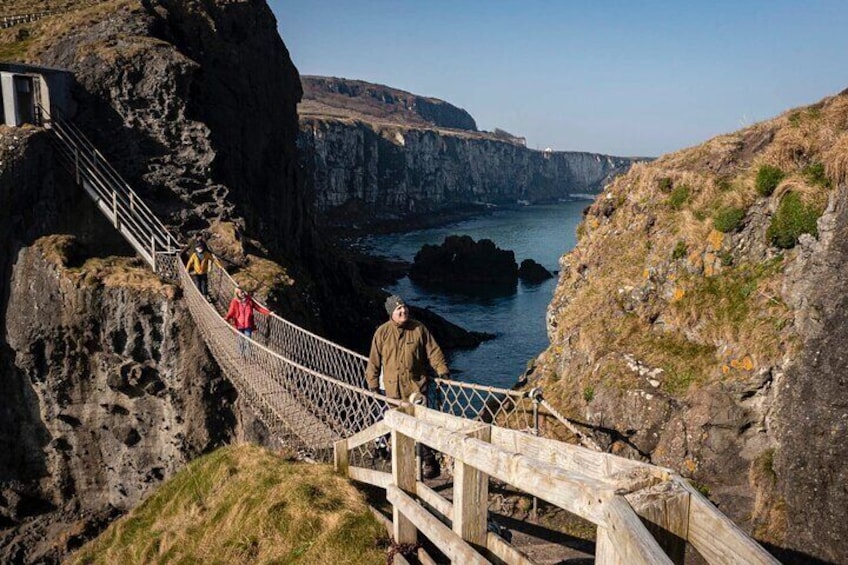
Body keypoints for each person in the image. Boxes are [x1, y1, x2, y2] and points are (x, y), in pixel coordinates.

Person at [366, 294, 450, 478]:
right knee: (389, 422)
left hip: (415, 387)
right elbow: (374, 361)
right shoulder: (382, 332)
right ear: (391, 313)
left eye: (404, 307)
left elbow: (433, 351)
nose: (403, 311)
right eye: (398, 309)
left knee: (421, 422)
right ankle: (383, 450)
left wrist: (442, 370)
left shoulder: (419, 329)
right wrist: (372, 385)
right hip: (390, 389)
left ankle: (428, 460)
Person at [225, 287, 271, 357]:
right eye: (241, 293)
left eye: (243, 292)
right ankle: (241, 356)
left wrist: (268, 313)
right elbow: (231, 312)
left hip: (248, 324)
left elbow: (258, 308)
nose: (243, 294)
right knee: (240, 341)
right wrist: (226, 318)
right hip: (239, 325)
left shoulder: (249, 300)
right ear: (237, 294)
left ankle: (248, 357)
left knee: (248, 341)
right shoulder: (235, 302)